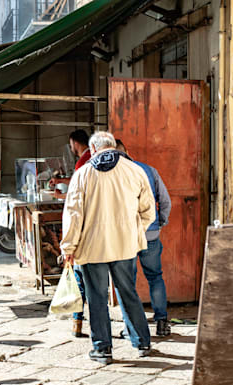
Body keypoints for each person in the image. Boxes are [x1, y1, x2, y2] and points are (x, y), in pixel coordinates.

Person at [61, 131, 155, 365]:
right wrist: (134, 231)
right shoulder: (135, 170)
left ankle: (102, 349)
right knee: (128, 292)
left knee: (97, 298)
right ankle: (142, 341)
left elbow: (73, 215)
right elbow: (149, 211)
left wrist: (68, 247)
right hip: (125, 245)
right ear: (113, 147)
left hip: (93, 247)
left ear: (93, 150)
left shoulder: (83, 174)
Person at [116, 140, 172, 336]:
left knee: (126, 283)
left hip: (125, 236)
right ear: (127, 151)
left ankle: (130, 327)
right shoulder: (149, 170)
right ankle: (162, 322)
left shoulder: (113, 174)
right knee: (155, 277)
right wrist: (160, 222)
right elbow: (165, 200)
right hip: (151, 233)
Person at [49, 130, 92, 339]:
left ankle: (78, 323)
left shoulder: (85, 161)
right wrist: (62, 182)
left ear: (75, 142)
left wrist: (67, 247)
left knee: (80, 279)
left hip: (82, 233)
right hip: (95, 235)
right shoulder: (89, 162)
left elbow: (77, 196)